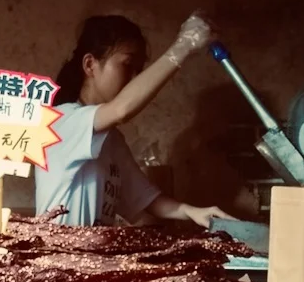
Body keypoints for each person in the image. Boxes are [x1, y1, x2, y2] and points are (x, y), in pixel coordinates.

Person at [36, 13, 234, 228]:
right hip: (60, 257)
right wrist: (182, 46)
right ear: (90, 64)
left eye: (137, 70)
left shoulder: (112, 139)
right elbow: (122, 109)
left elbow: (148, 200)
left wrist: (193, 212)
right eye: (127, 65)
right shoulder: (63, 121)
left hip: (93, 256)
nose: (132, 79)